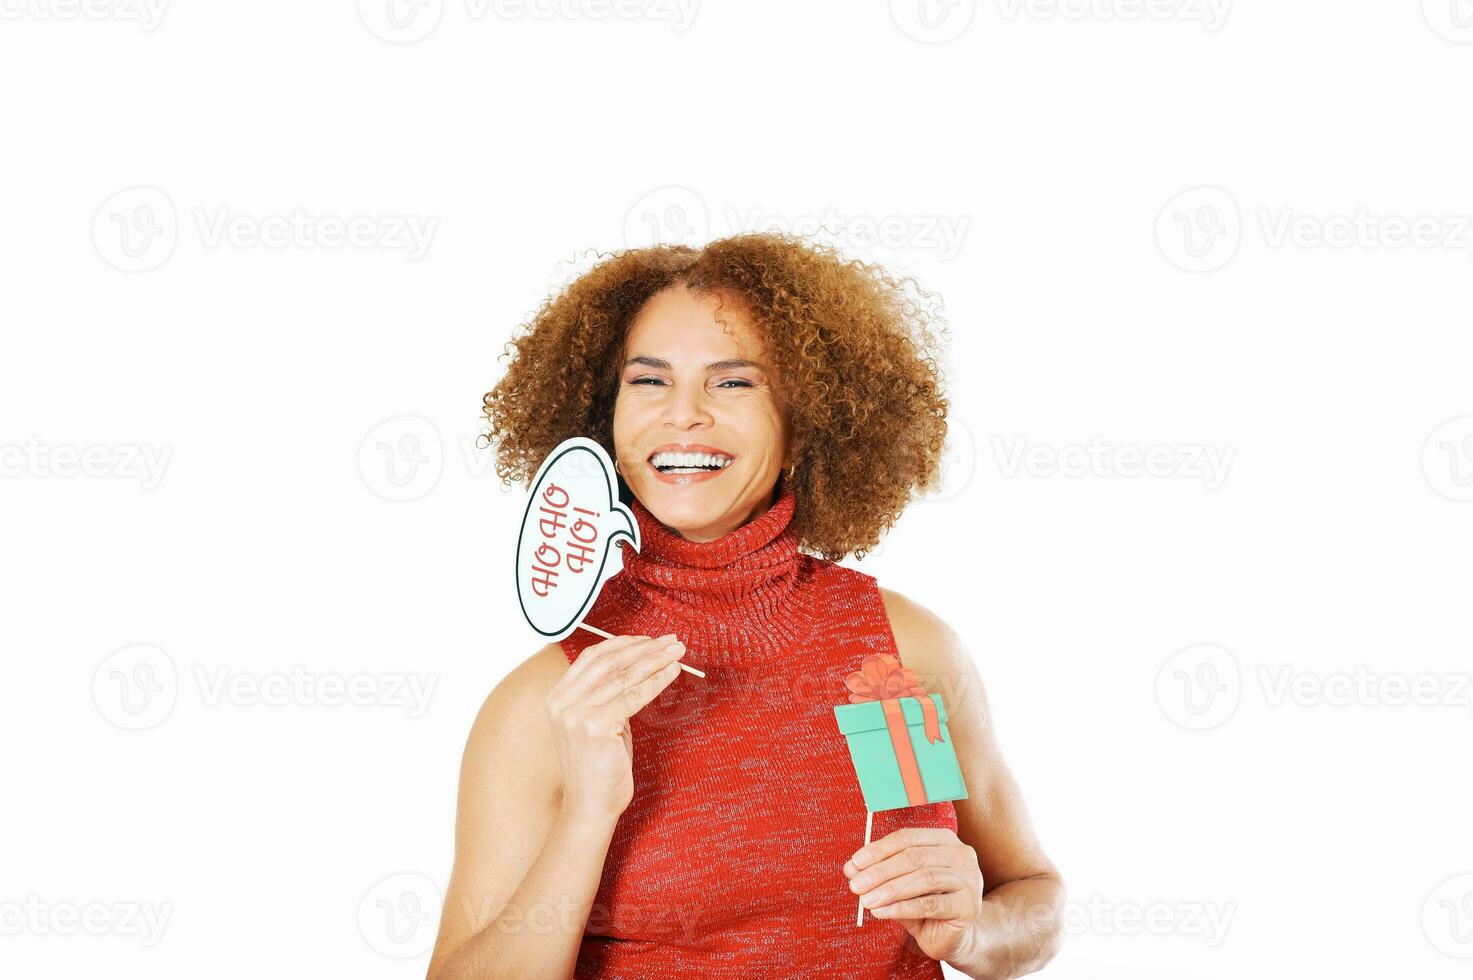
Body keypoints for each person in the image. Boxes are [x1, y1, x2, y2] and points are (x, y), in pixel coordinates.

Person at [426, 232, 1064, 979]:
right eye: (648, 382)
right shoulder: (555, 699)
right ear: (605, 421)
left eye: (732, 383)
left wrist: (972, 932)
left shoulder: (898, 651)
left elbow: (1031, 896)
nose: (684, 415)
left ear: (803, 423)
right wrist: (588, 815)